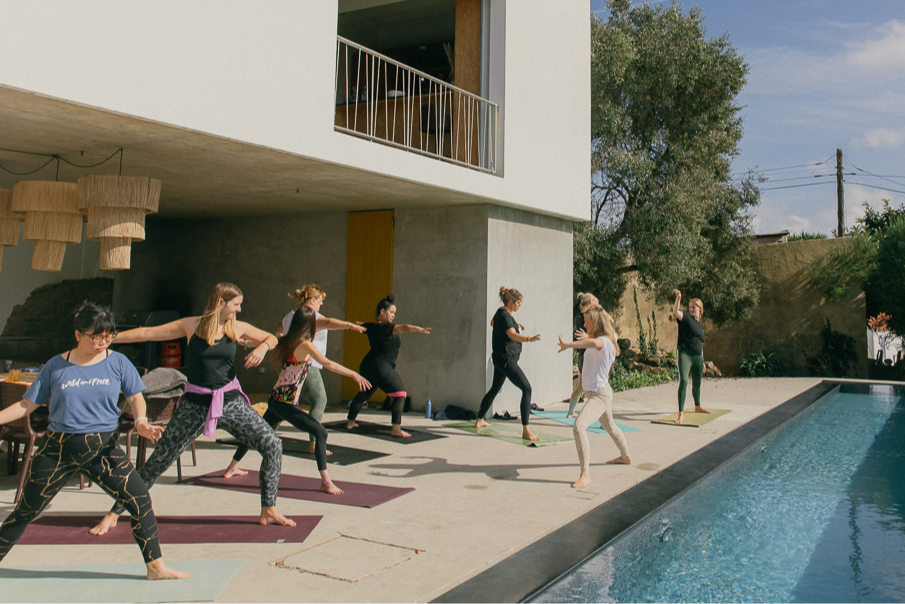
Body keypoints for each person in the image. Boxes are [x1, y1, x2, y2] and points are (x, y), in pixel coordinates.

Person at [0, 303, 189, 580]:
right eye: (96, 336)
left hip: (103, 449)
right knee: (26, 510)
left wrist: (141, 423)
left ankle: (155, 567)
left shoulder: (118, 362)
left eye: (108, 336)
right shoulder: (56, 365)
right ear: (78, 335)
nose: (102, 342)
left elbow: (136, 397)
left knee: (140, 499)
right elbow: (26, 405)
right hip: (58, 449)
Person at [90, 283, 293, 537]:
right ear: (220, 302)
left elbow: (271, 338)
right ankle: (114, 513)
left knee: (272, 444)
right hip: (195, 405)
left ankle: (268, 509)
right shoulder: (191, 326)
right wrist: (109, 339)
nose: (239, 309)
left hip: (229, 401)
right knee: (158, 460)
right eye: (235, 304)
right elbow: (148, 333)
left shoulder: (235, 327)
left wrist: (262, 347)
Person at [223, 306, 372, 494]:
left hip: (276, 400)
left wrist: (241, 341)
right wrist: (354, 375)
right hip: (285, 404)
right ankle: (326, 482)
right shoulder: (305, 345)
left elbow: (260, 342)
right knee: (321, 433)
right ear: (310, 325)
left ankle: (231, 467)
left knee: (256, 434)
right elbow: (327, 363)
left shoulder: (287, 341)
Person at [271, 284, 365, 456]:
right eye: (320, 301)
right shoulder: (312, 317)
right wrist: (349, 325)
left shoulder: (290, 315)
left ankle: (267, 434)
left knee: (282, 403)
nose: (321, 305)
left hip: (287, 365)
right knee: (320, 400)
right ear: (312, 300)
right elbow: (328, 323)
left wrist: (280, 347)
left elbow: (278, 330)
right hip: (307, 366)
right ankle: (314, 443)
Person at [558, 306, 632, 489]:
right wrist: (597, 311)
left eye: (587, 322)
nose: (584, 324)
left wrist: (568, 345)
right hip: (598, 393)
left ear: (596, 323)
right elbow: (603, 327)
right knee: (610, 426)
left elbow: (593, 344)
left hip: (600, 396)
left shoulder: (604, 342)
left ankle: (585, 474)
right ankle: (625, 457)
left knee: (579, 426)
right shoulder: (608, 337)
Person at [345, 294, 431, 438]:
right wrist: (418, 329)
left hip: (368, 366)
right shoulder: (385, 328)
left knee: (363, 394)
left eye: (394, 313)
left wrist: (347, 324)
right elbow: (403, 327)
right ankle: (396, 428)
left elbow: (358, 324)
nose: (393, 315)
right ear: (382, 311)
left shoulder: (371, 327)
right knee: (400, 394)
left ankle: (350, 421)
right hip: (381, 366)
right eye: (391, 312)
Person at [475, 287, 542, 441]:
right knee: (527, 389)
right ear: (511, 301)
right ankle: (526, 430)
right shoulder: (505, 317)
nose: (519, 305)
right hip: (507, 361)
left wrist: (515, 323)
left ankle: (479, 420)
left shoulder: (500, 313)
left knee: (494, 389)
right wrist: (528, 338)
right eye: (518, 303)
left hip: (499, 360)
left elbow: (493, 323)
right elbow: (511, 334)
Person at [672, 289, 710, 425]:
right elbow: (676, 312)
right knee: (683, 381)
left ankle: (698, 406)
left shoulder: (700, 327)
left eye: (694, 307)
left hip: (697, 357)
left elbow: (700, 344)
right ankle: (680, 414)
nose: (691, 309)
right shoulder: (686, 319)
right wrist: (678, 298)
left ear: (700, 309)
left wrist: (703, 361)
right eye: (690, 307)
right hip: (685, 354)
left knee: (697, 384)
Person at [567, 292, 600, 418]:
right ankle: (603, 420)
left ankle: (570, 412)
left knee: (580, 387)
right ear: (591, 302)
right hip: (588, 357)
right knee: (598, 391)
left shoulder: (579, 317)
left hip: (583, 356)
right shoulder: (588, 318)